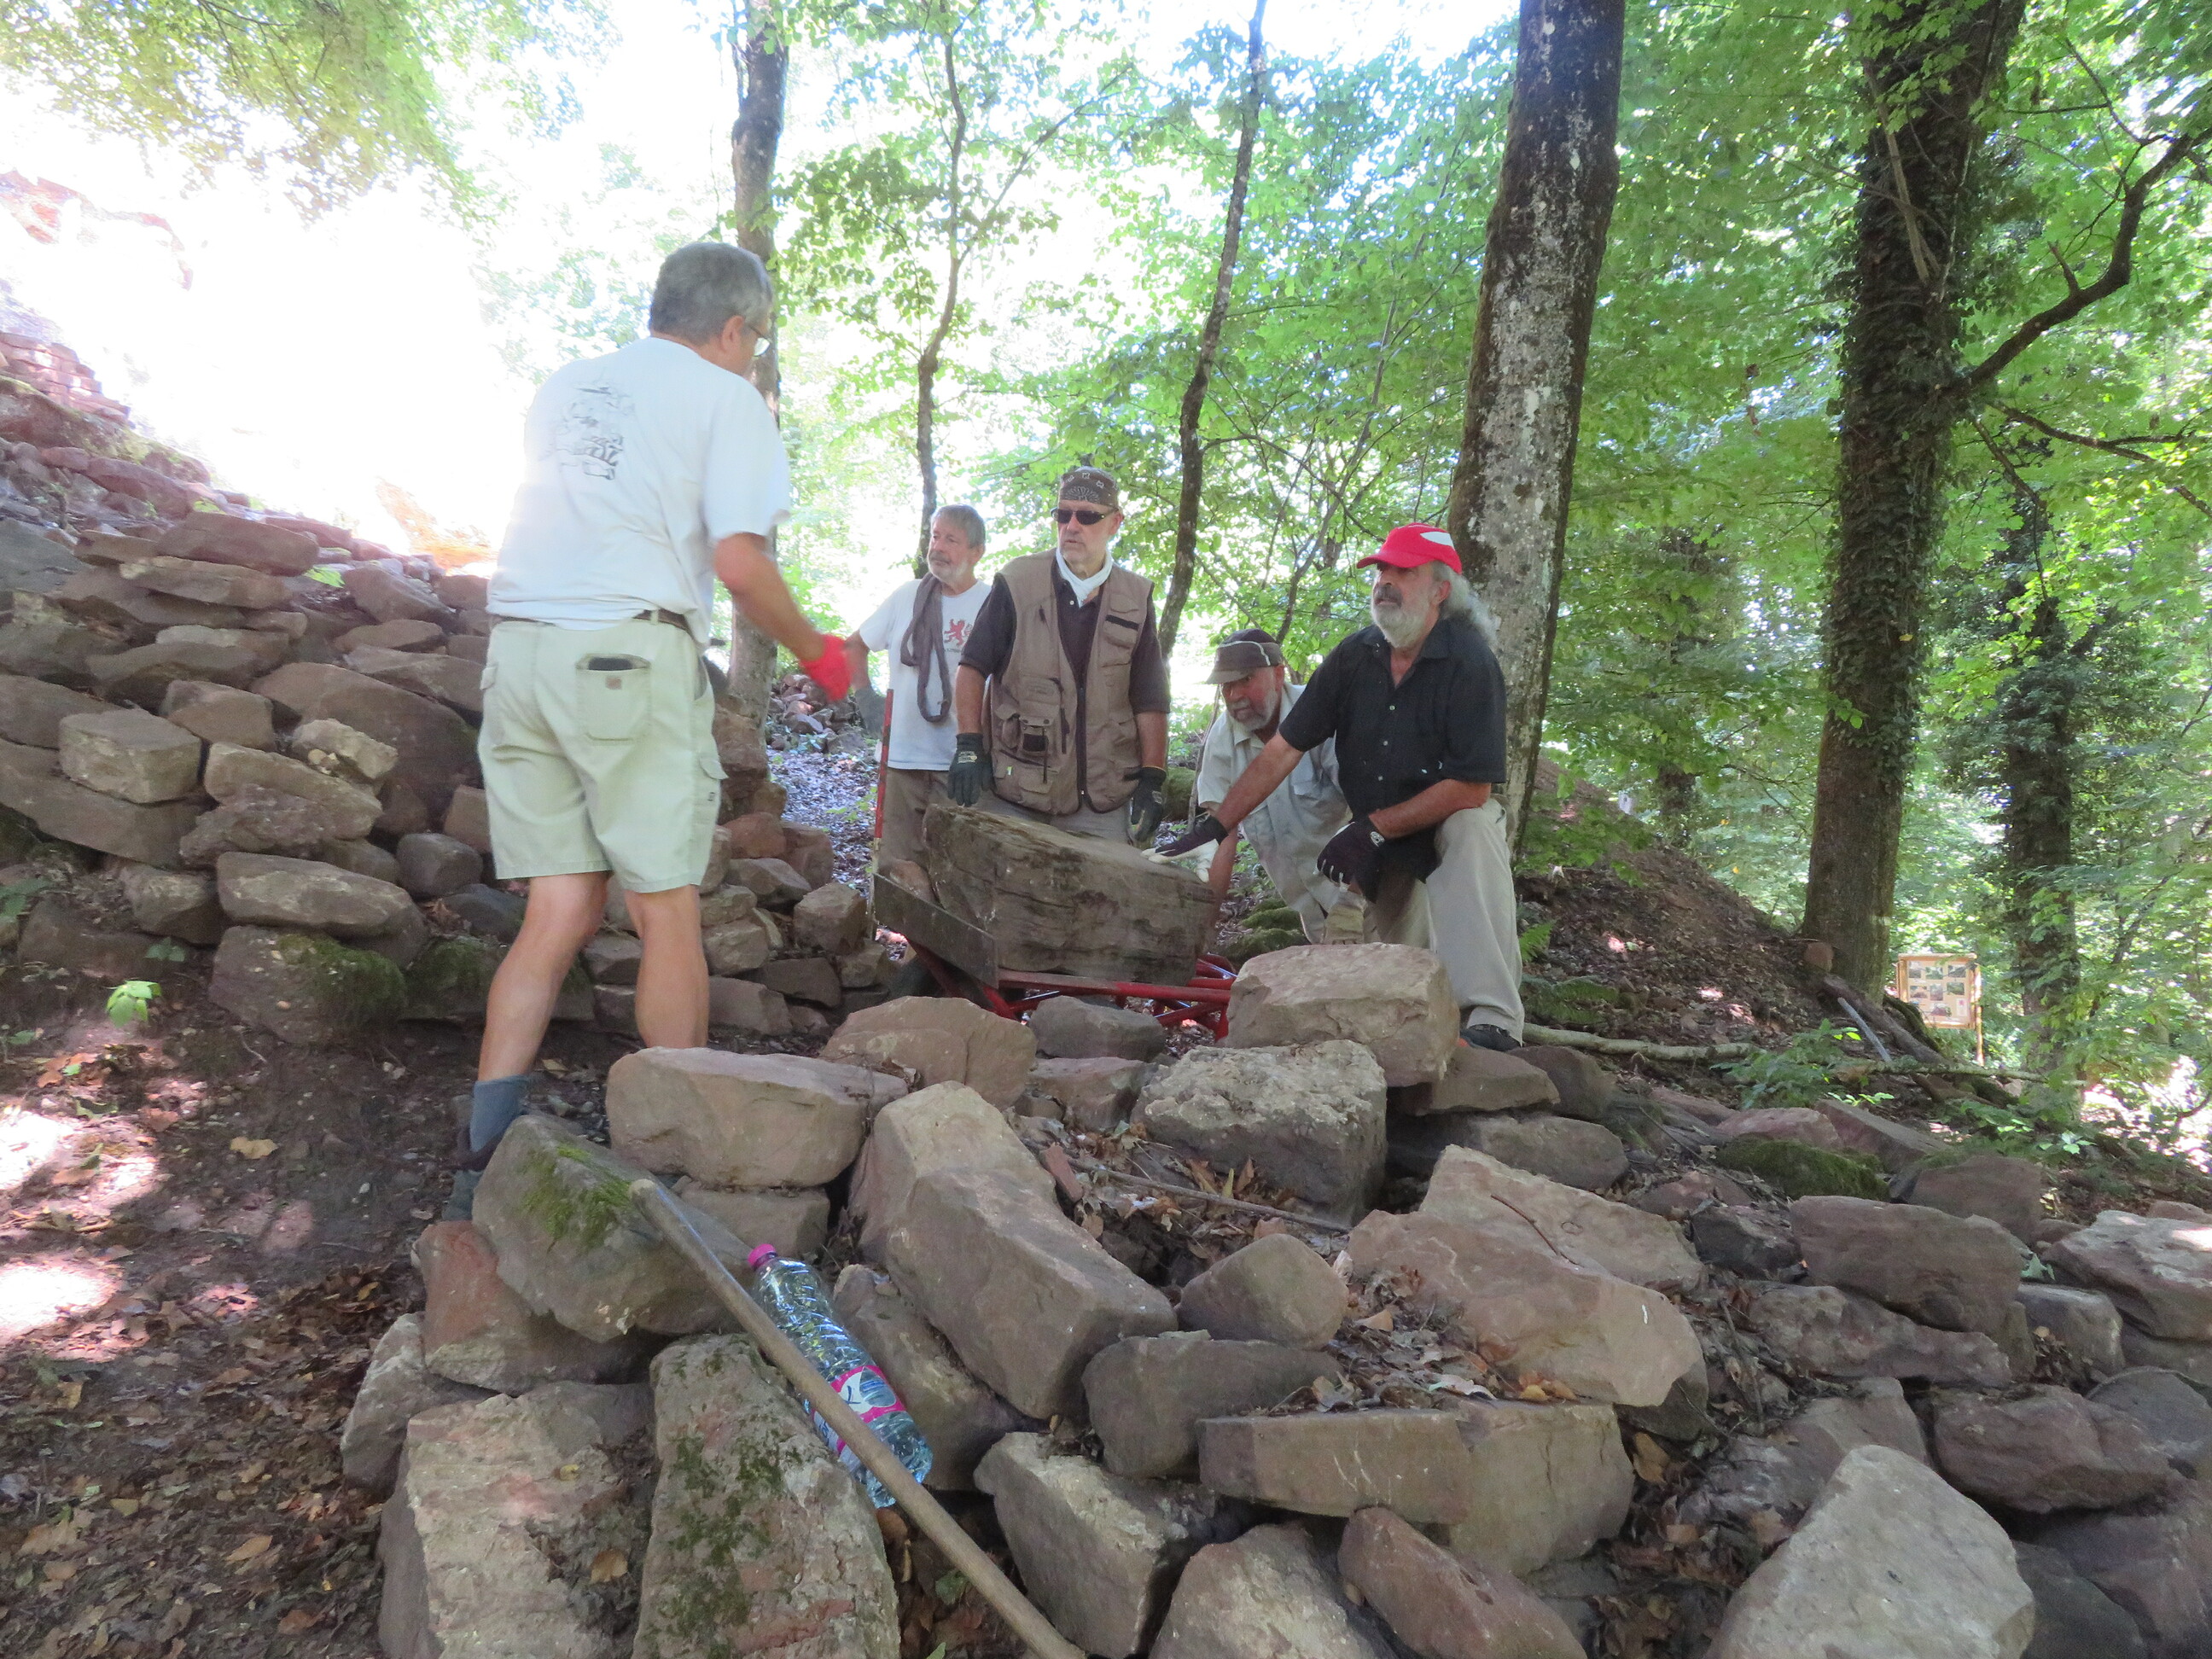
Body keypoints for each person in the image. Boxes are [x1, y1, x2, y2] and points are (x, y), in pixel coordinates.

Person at [463, 241, 853, 1171]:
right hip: (623, 660)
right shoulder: (726, 398)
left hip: (519, 655)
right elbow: (739, 562)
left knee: (557, 909)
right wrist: (819, 652)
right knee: (665, 910)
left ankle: (479, 1160)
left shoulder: (569, 385)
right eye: (756, 341)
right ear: (734, 329)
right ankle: (678, 1165)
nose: (754, 357)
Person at [1160, 524, 1525, 1050]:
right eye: (1381, 571)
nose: (1386, 582)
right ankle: (1421, 1052)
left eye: (1404, 572)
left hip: (1442, 821)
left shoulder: (1470, 662)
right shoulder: (1355, 656)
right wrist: (1216, 826)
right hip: (1384, 845)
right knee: (1401, 974)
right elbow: (1282, 749)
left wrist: (1371, 828)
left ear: (1440, 590)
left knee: (1470, 830)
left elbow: (1472, 789)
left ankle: (1493, 1021)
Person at [947, 466, 1170, 843]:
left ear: (1115, 523)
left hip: (1104, 796)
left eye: (1087, 517)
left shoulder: (1135, 597)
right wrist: (969, 747)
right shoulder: (1017, 581)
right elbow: (972, 668)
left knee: (1106, 882)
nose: (1072, 526)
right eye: (1063, 514)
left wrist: (1154, 777)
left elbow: (1150, 698)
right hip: (1018, 788)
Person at [846, 504, 992, 864]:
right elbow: (853, 646)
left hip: (960, 763)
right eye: (935, 536)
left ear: (976, 552)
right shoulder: (907, 596)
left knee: (955, 870)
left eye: (951, 540)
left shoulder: (991, 604)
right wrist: (866, 698)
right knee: (896, 869)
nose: (937, 547)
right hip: (901, 760)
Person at [1192, 626, 1350, 939]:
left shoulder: (1322, 712)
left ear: (1278, 675)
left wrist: (1355, 902)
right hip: (1313, 915)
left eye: (1246, 680)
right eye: (1226, 685)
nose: (1235, 696)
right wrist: (1201, 931)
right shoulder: (1222, 740)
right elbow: (1219, 838)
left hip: (1374, 900)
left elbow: (1371, 811)